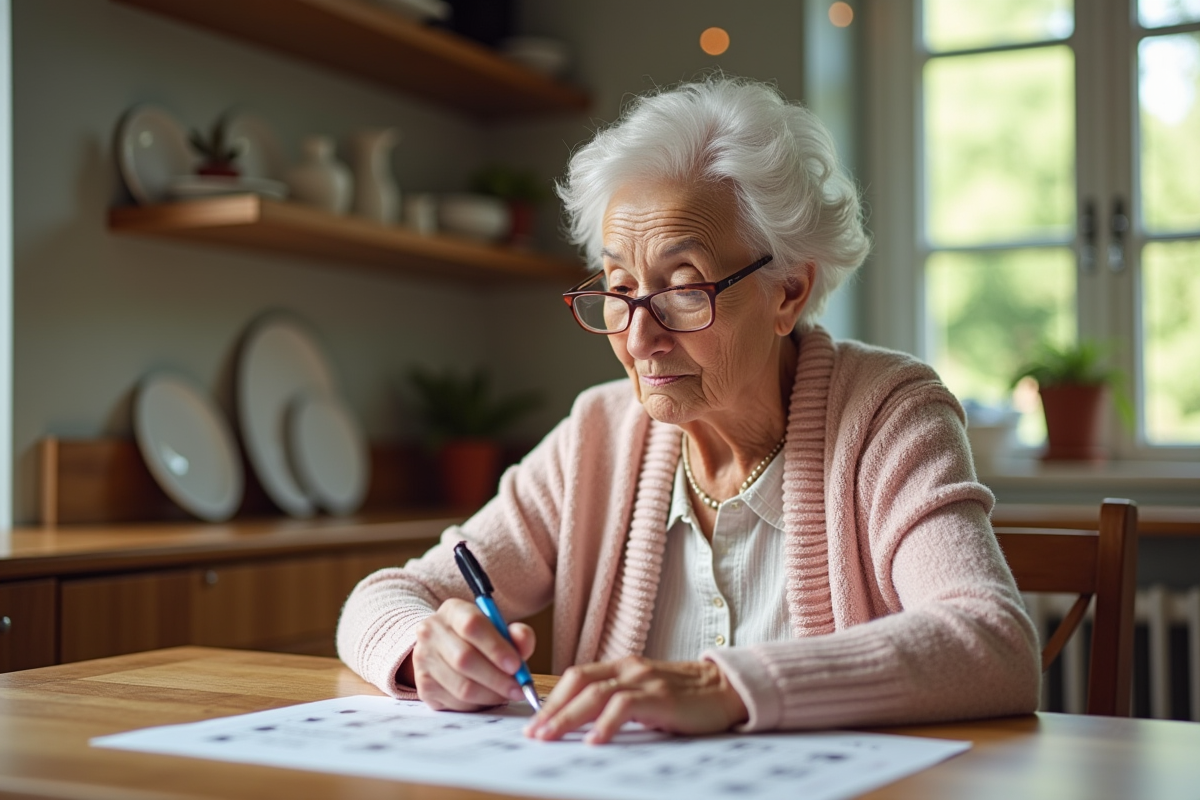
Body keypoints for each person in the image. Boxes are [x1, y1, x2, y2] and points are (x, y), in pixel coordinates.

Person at [337, 76, 1040, 744]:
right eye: (618, 287)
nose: (639, 336)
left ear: (788, 292)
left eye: (683, 288)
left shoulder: (888, 415)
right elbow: (388, 595)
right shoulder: (598, 435)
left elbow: (992, 641)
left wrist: (725, 686)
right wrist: (424, 647)